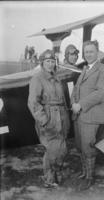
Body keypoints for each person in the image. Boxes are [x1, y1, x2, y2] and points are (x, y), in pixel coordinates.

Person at [71, 40, 104, 190]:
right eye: (86, 52)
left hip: (91, 115)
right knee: (80, 146)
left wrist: (80, 105)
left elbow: (100, 93)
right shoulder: (85, 69)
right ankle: (84, 172)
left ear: (97, 52)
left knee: (88, 147)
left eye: (91, 51)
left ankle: (90, 177)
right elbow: (76, 89)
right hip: (79, 115)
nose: (88, 54)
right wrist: (74, 104)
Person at [28, 49, 70, 187]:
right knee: (52, 149)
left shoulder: (56, 78)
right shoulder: (37, 78)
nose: (50, 64)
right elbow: (33, 102)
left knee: (62, 148)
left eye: (52, 61)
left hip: (61, 117)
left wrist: (66, 118)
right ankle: (49, 178)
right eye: (47, 61)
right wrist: (44, 120)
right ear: (42, 63)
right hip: (49, 117)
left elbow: (62, 100)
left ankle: (57, 172)